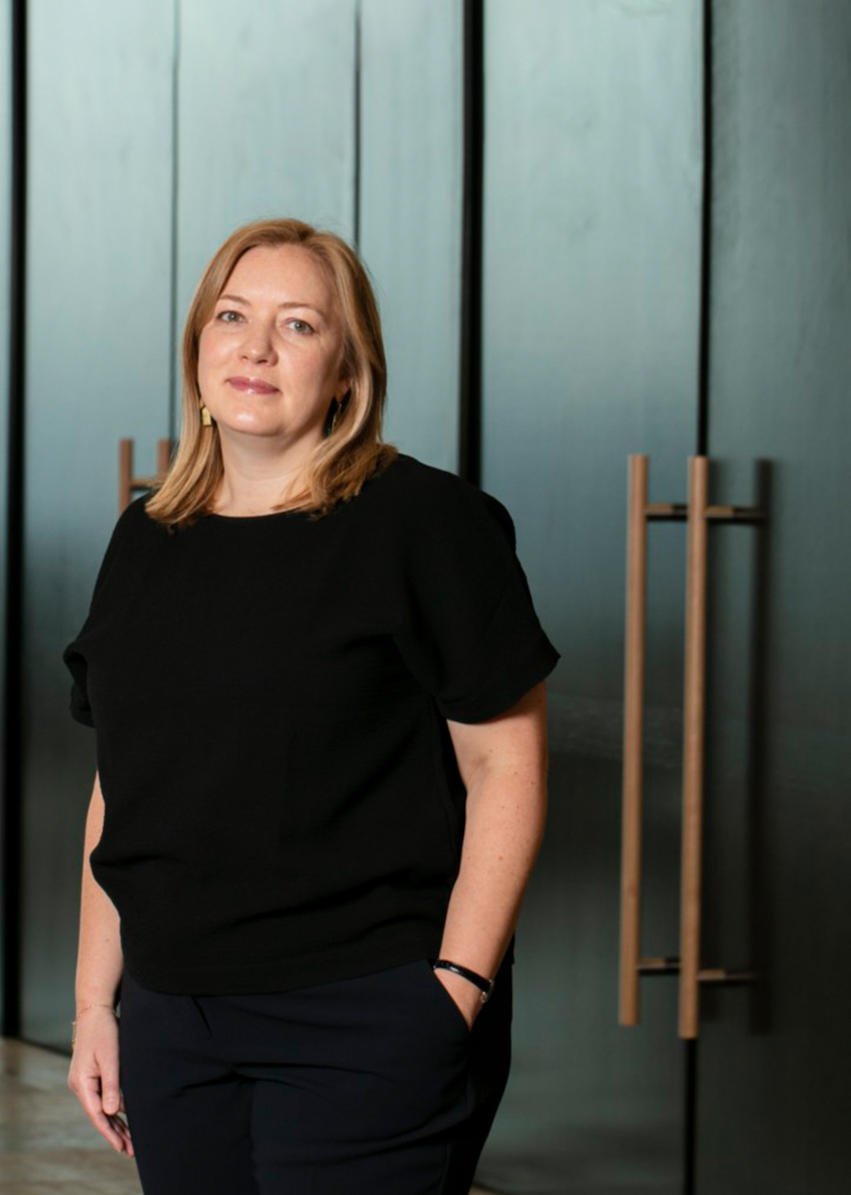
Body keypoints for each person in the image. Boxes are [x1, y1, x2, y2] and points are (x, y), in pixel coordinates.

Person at [61, 217, 558, 1194]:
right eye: (233, 317)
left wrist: (455, 988)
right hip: (174, 1014)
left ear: (347, 368)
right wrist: (93, 1003)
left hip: (362, 1007)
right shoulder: (148, 535)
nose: (254, 348)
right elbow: (121, 782)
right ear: (199, 343)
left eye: (298, 325)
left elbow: (509, 765)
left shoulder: (424, 522)